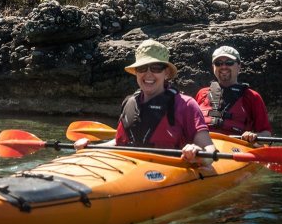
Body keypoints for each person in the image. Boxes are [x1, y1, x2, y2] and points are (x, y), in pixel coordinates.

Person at [75, 39, 216, 163]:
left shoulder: (186, 105)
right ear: (136, 72)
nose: (148, 74)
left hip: (169, 172)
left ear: (166, 72)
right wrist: (90, 148)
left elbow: (209, 150)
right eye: (142, 68)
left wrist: (197, 151)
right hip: (129, 170)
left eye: (156, 68)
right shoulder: (129, 103)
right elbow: (119, 143)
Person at [194, 46, 272, 142]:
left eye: (229, 63)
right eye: (218, 63)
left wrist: (253, 136)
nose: (223, 66)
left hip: (235, 146)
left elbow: (266, 134)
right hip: (203, 146)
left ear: (239, 65)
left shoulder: (252, 97)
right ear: (213, 67)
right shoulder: (202, 93)